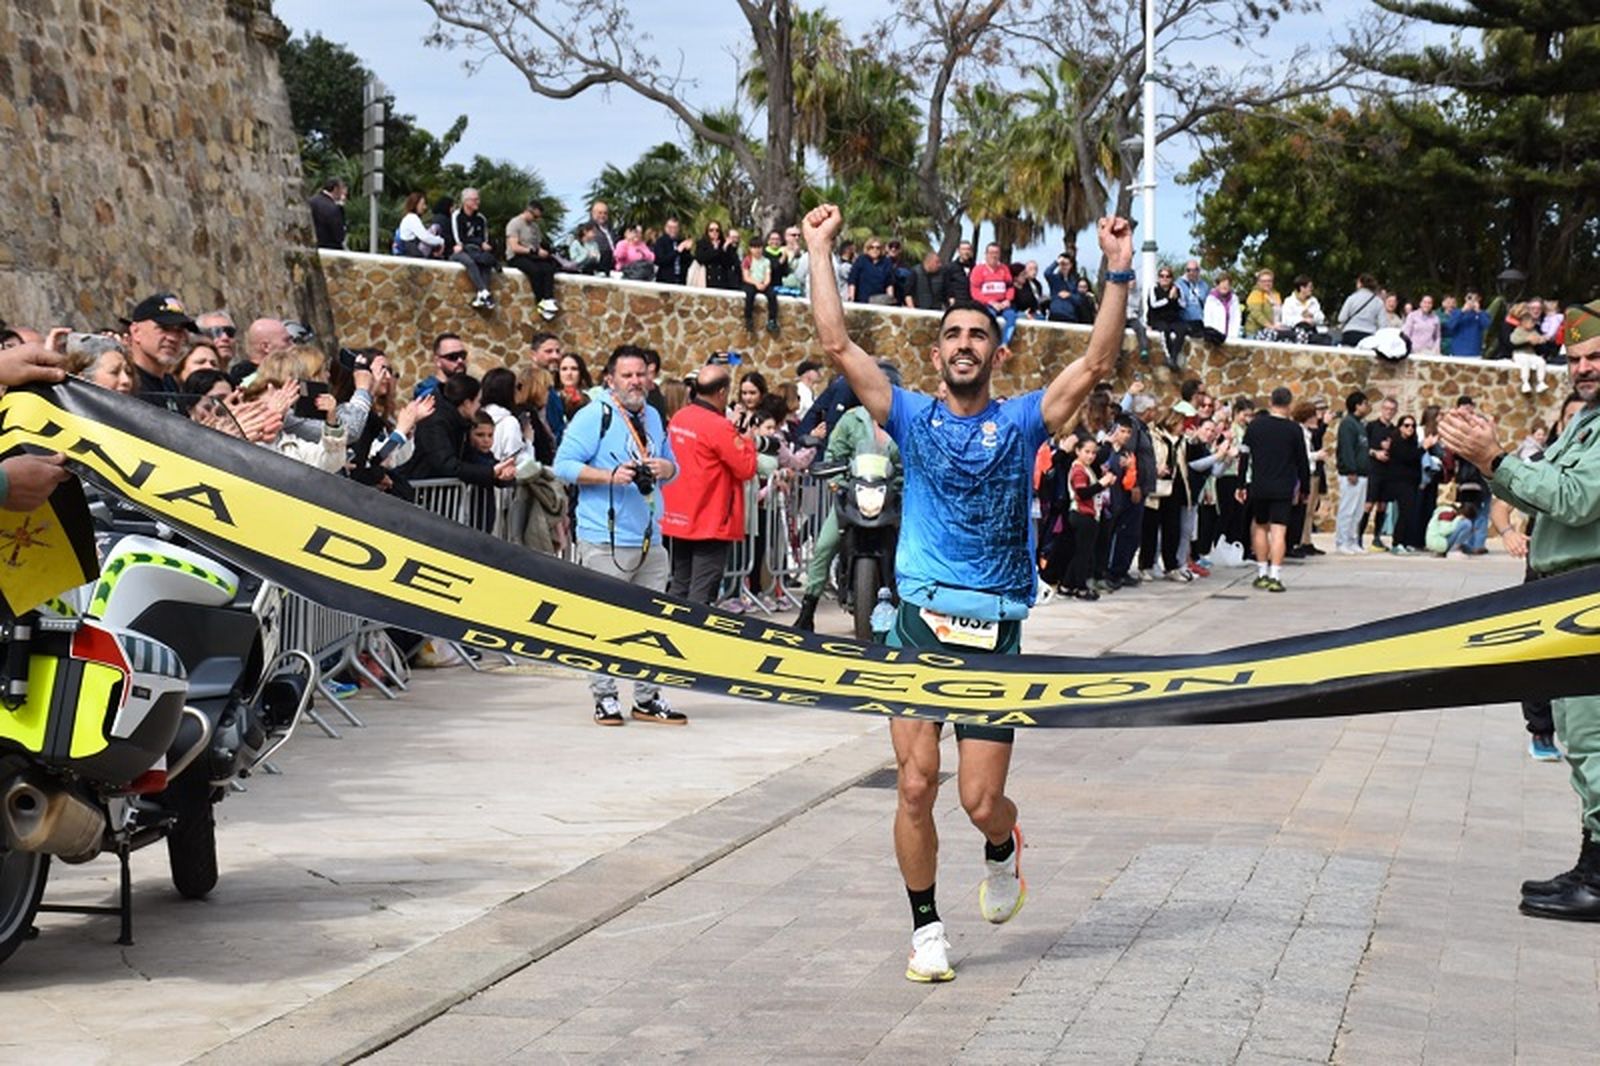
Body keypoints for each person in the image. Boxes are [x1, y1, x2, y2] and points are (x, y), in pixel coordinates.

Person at [802, 200, 1133, 983]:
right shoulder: (910, 417)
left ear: (996, 351)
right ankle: (926, 930)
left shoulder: (1022, 423)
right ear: (936, 350)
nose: (963, 344)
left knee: (980, 802)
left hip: (994, 633)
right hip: (919, 623)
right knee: (916, 784)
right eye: (952, 334)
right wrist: (818, 249)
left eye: (977, 335)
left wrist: (1118, 270)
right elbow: (836, 343)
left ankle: (1001, 844)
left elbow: (1095, 363)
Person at [1437, 301, 1600, 921]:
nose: (1583, 368)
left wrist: (1495, 459)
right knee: (1580, 740)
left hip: (1589, 598)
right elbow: (1540, 494)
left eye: (1595, 357)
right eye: (1576, 358)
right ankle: (1593, 863)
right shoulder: (1585, 424)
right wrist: (1490, 460)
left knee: (1594, 740)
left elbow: (1575, 500)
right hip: (1568, 598)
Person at [554, 347, 685, 725]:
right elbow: (562, 466)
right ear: (610, 379)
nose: (635, 382)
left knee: (652, 624)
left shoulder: (653, 415)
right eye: (627, 375)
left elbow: (673, 465)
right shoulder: (594, 414)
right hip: (604, 537)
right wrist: (608, 476)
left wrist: (666, 468)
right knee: (603, 622)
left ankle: (647, 697)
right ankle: (605, 696)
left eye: (641, 374)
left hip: (648, 536)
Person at [793, 391, 903, 632]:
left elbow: (909, 460)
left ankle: (911, 608)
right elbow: (834, 455)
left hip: (890, 498)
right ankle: (807, 610)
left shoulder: (902, 421)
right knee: (824, 546)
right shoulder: (851, 419)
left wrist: (903, 484)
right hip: (855, 496)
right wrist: (839, 483)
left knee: (912, 545)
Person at [660, 359, 758, 604]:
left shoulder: (680, 417)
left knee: (680, 582)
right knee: (702, 589)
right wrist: (747, 440)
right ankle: (691, 627)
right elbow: (746, 468)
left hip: (680, 516)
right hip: (711, 519)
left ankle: (671, 623)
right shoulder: (718, 426)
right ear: (722, 392)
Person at [1236, 386, 1310, 592]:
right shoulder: (1294, 429)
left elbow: (1244, 456)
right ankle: (1275, 575)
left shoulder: (1255, 426)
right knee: (1279, 531)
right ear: (1289, 404)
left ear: (1271, 402)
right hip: (1283, 487)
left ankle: (1262, 573)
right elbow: (1302, 461)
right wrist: (1304, 488)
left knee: (1260, 527)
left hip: (1260, 485)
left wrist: (1240, 484)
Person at [124, 292, 197, 398]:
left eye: (179, 331)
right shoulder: (125, 383)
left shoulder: (170, 383)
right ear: (136, 331)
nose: (173, 338)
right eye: (164, 328)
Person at [506, 199, 560, 319]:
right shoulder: (515, 223)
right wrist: (533, 251)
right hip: (517, 256)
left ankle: (548, 299)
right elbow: (514, 247)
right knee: (535, 271)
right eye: (535, 216)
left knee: (548, 268)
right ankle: (540, 301)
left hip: (532, 255)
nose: (536, 219)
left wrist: (542, 252)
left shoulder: (535, 227)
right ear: (528, 211)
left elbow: (537, 245)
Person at [1334, 391, 1372, 553]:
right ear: (1357, 405)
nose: (1368, 407)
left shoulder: (1360, 425)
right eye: (1365, 404)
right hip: (1351, 474)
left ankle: (1352, 540)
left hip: (1363, 473)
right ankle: (1342, 541)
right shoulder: (1347, 424)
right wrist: (1351, 470)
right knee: (1347, 509)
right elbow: (1347, 448)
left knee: (1357, 511)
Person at [448, 188, 498, 309]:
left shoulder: (481, 219)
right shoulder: (457, 216)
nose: (478, 202)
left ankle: (482, 296)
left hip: (476, 250)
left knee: (485, 262)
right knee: (469, 262)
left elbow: (484, 239)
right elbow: (459, 238)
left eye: (478, 199)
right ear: (466, 201)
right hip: (460, 250)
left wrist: (481, 244)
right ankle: (485, 292)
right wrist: (477, 242)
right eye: (475, 200)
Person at [968, 243, 1018, 346]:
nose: (994, 256)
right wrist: (990, 302)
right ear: (986, 254)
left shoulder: (1004, 269)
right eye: (991, 253)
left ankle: (1004, 344)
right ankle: (988, 343)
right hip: (987, 305)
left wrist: (1008, 300)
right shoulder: (978, 270)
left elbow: (1010, 287)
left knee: (1012, 316)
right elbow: (975, 292)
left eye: (996, 253)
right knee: (989, 318)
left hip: (1003, 304)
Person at [547, 352, 593, 444]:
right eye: (564, 369)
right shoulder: (551, 398)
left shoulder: (593, 397)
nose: (569, 373)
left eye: (574, 369)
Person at [742, 231, 782, 333]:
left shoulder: (766, 261)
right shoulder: (747, 260)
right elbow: (746, 277)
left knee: (772, 295)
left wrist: (765, 284)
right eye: (755, 247)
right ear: (750, 249)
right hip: (752, 283)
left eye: (759, 247)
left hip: (763, 284)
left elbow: (767, 275)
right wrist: (756, 283)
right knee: (749, 295)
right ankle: (748, 318)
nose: (757, 250)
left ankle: (772, 320)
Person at [1145, 266, 1186, 368]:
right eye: (1162, 276)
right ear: (1158, 277)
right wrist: (1169, 299)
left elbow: (1183, 305)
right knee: (1164, 330)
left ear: (1171, 278)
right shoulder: (1154, 288)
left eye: (1168, 276)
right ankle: (1168, 357)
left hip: (1173, 319)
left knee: (1182, 330)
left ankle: (1173, 357)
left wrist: (1175, 298)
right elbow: (1153, 305)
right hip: (1158, 319)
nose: (1164, 278)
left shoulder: (1177, 289)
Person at [414, 333, 469, 402]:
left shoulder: (468, 388)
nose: (460, 360)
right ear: (437, 361)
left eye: (463, 355)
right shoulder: (430, 394)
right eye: (453, 356)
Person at [1510, 304, 1551, 393]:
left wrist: (1542, 339)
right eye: (1530, 322)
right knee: (1525, 363)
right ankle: (1525, 382)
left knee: (1541, 362)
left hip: (1531, 354)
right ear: (1523, 322)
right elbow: (1513, 340)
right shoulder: (1518, 330)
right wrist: (1527, 340)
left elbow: (1538, 339)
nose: (1532, 324)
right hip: (1520, 354)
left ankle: (1541, 382)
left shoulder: (1534, 331)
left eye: (1533, 322)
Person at [847, 236, 898, 305]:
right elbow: (852, 280)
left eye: (878, 248)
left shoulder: (886, 262)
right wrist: (851, 298)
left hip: (880, 302)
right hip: (862, 301)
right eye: (872, 247)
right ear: (867, 248)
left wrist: (890, 300)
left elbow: (889, 283)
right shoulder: (861, 260)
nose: (875, 250)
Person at [1336, 274, 1383, 346]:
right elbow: (1383, 324)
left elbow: (1341, 318)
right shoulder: (1378, 301)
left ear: (1360, 284)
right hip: (1369, 335)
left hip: (1350, 333)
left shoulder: (1351, 298)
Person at [396, 191, 446, 258]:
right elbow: (425, 237)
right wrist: (440, 241)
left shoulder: (408, 217)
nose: (425, 207)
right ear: (415, 204)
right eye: (422, 204)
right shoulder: (412, 218)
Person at [694, 222, 741, 290]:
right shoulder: (702, 244)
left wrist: (724, 248)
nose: (714, 232)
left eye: (717, 230)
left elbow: (728, 262)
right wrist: (715, 249)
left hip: (722, 282)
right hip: (706, 280)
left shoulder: (724, 244)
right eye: (711, 230)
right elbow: (701, 259)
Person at [1444, 290, 1491, 357]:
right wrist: (1462, 311)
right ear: (1465, 298)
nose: (1472, 301)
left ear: (1479, 299)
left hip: (1474, 353)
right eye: (1469, 298)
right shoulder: (1456, 312)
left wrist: (1478, 311)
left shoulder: (1483, 314)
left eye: (1475, 298)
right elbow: (1450, 326)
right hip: (1457, 352)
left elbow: (1487, 325)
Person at [652, 217, 695, 285]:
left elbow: (687, 262)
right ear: (665, 228)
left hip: (680, 279)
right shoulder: (661, 242)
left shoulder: (681, 241)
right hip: (665, 280)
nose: (673, 230)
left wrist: (687, 250)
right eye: (670, 227)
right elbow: (660, 260)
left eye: (675, 228)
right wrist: (677, 251)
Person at [308, 177, 347, 250]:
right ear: (336, 189)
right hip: (329, 249)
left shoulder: (311, 201)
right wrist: (341, 207)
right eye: (342, 188)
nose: (344, 192)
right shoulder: (334, 208)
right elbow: (339, 236)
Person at [1202, 273, 1241, 344]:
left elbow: (1237, 318)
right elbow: (1207, 319)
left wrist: (1234, 335)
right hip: (1215, 337)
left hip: (1231, 336)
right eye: (1222, 283)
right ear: (1217, 285)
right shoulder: (1211, 299)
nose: (1225, 286)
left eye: (1227, 284)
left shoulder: (1234, 299)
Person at [1174, 260, 1209, 338]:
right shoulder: (1178, 285)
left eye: (1194, 270)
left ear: (1199, 271)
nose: (1191, 273)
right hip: (1185, 322)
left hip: (1200, 323)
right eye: (1188, 270)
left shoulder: (1204, 285)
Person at [1243, 270, 1282, 338]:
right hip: (1256, 332)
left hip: (1274, 331)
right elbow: (1257, 314)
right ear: (1258, 282)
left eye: (1269, 281)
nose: (1267, 283)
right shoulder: (1255, 294)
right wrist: (1271, 326)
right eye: (1264, 281)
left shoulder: (1276, 294)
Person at [586, 201, 618, 274]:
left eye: (605, 213)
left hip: (613, 266)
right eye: (599, 213)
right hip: (598, 266)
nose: (602, 215)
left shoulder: (611, 230)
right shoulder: (587, 229)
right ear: (593, 213)